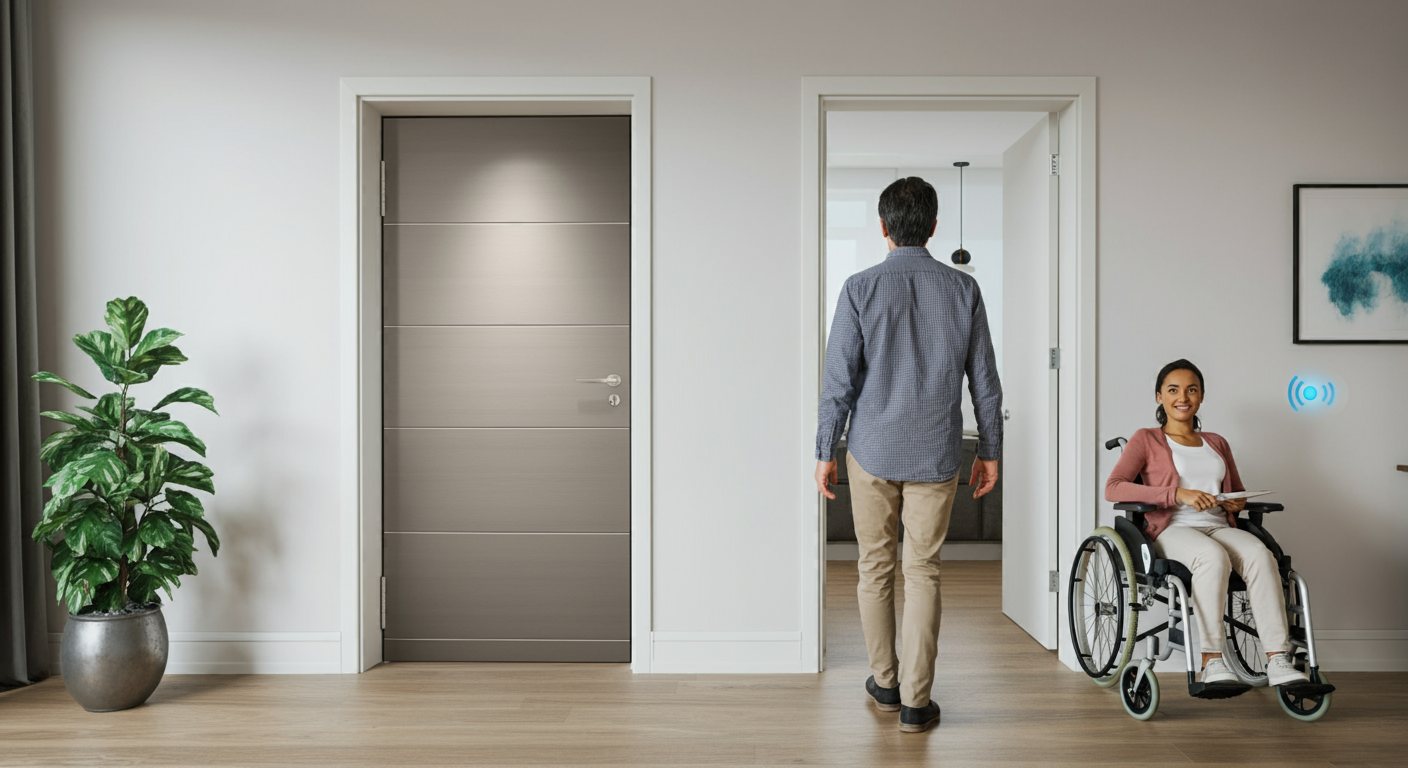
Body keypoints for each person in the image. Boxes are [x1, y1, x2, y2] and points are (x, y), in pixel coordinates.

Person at [814, 176, 1002, 733]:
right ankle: (919, 703)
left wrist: (825, 448)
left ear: (883, 227)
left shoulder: (858, 288)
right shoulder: (963, 289)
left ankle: (887, 683)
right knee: (924, 572)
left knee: (874, 567)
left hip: (870, 450)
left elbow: (837, 381)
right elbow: (985, 383)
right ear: (935, 228)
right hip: (938, 452)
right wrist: (990, 449)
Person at [1105, 359, 1310, 688]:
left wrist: (1236, 500)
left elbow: (1235, 490)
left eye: (1191, 389)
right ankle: (1211, 659)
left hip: (1220, 526)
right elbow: (1113, 487)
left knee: (1261, 556)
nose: (1182, 396)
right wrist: (1177, 494)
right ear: (1159, 396)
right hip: (1173, 530)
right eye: (1173, 390)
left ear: (1201, 397)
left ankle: (1277, 659)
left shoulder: (1216, 442)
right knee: (1212, 557)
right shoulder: (1145, 439)